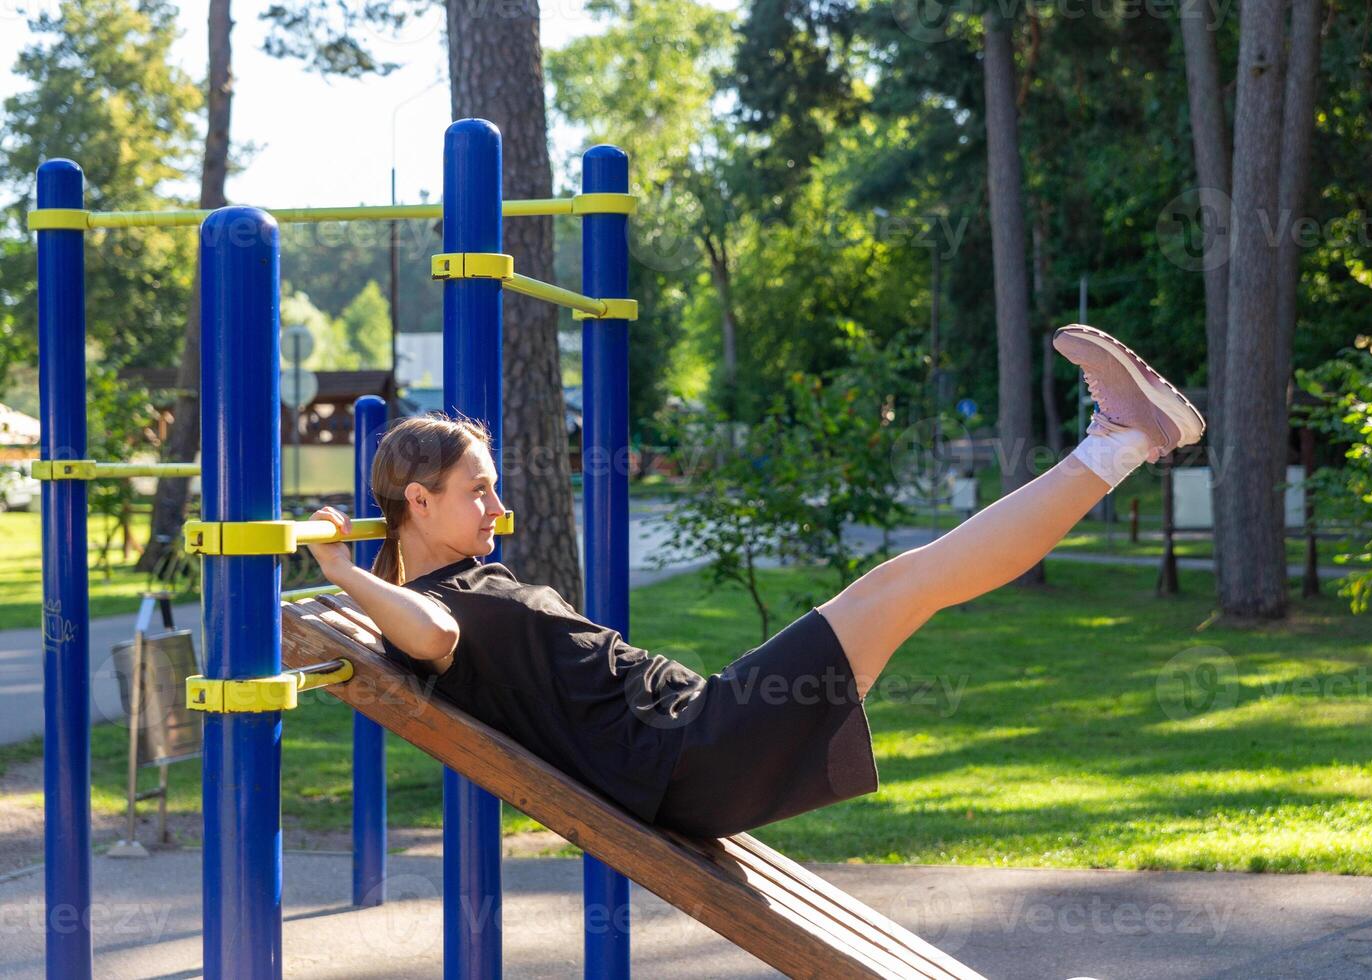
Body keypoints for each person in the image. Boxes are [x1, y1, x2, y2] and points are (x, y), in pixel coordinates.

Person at [304, 324, 1204, 839]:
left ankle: (1123, 439)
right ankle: (1123, 439)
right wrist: (344, 570)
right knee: (906, 586)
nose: (498, 505)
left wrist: (367, 573)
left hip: (699, 732)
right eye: (477, 490)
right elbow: (432, 639)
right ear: (417, 502)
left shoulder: (466, 576)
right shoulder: (435, 608)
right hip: (693, 754)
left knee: (907, 585)